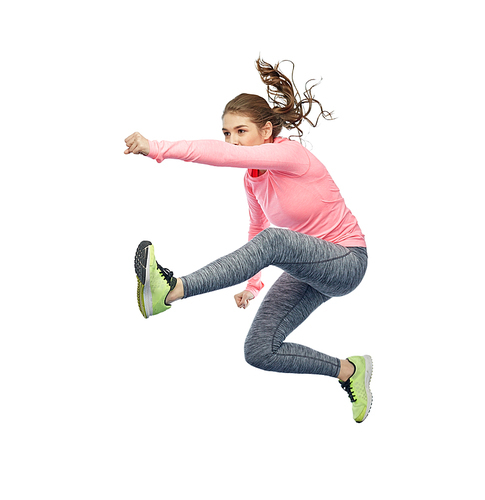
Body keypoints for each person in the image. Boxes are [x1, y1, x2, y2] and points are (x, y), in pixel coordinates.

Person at [124, 58, 373, 423]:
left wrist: (156, 147)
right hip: (308, 269)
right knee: (259, 350)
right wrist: (252, 287)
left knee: (276, 241)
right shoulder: (252, 181)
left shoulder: (291, 154)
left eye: (241, 131)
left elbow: (265, 233)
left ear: (266, 131)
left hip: (347, 260)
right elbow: (256, 233)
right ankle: (351, 371)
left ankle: (173, 290)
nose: (233, 141)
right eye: (227, 133)